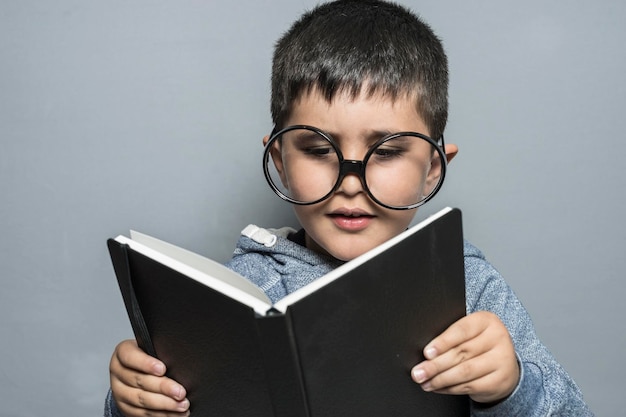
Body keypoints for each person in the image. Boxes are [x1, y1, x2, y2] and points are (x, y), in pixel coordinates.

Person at [105, 1, 593, 416]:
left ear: (433, 168)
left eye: (387, 151)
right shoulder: (238, 291)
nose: (351, 182)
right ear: (279, 160)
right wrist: (131, 402)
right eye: (318, 150)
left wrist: (510, 387)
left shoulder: (470, 288)